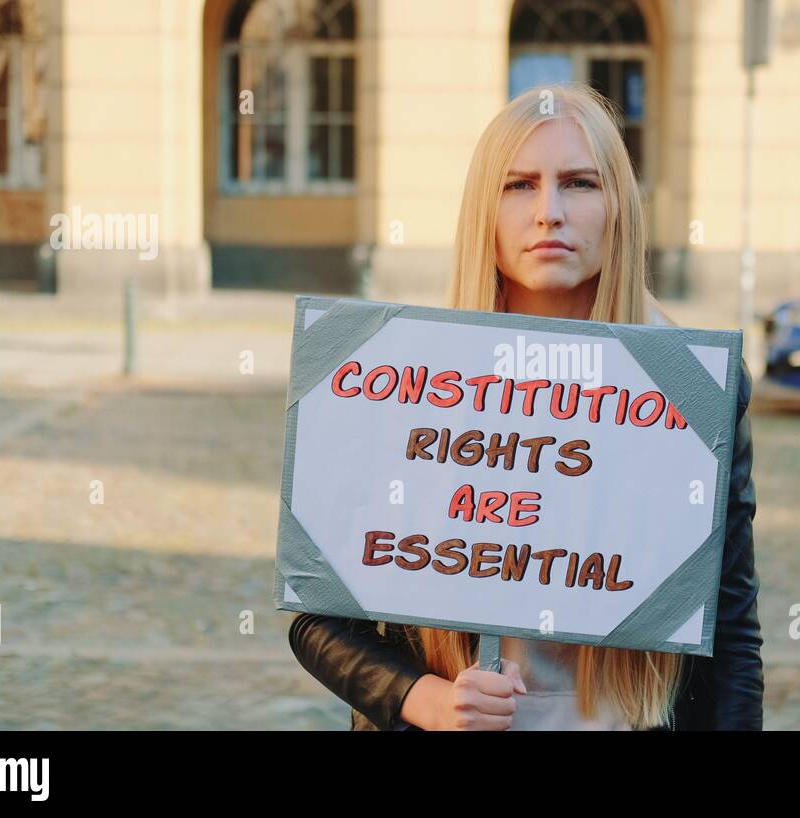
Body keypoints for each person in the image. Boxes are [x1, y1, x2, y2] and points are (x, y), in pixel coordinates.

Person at [289, 82, 763, 731]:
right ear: (484, 210)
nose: (549, 212)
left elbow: (732, 633)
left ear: (618, 206)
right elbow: (319, 618)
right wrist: (424, 698)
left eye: (579, 183)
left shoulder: (693, 387)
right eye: (518, 186)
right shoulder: (403, 376)